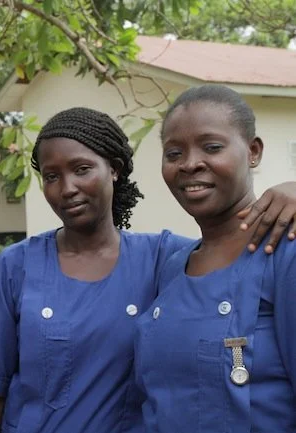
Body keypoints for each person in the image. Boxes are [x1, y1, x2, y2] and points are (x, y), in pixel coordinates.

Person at [0, 107, 296, 433]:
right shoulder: (16, 266)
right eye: (51, 176)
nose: (67, 188)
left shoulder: (165, 260)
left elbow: (227, 248)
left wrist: (290, 191)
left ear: (115, 169)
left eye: (82, 169)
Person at [135, 85, 296, 432]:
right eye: (174, 153)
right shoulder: (173, 267)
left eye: (212, 147)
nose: (190, 164)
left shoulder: (285, 249)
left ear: (253, 151)